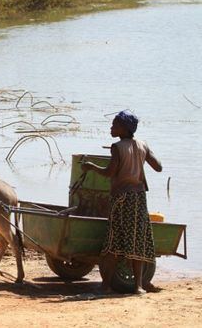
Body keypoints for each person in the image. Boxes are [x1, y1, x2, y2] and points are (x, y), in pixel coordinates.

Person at [81, 110, 162, 294]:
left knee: (113, 241)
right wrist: (141, 158)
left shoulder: (117, 147)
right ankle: (138, 286)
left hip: (122, 198)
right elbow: (158, 167)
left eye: (115, 124)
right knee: (137, 240)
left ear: (124, 128)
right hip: (139, 198)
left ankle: (106, 286)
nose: (111, 127)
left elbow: (109, 172)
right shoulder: (143, 144)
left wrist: (90, 167)